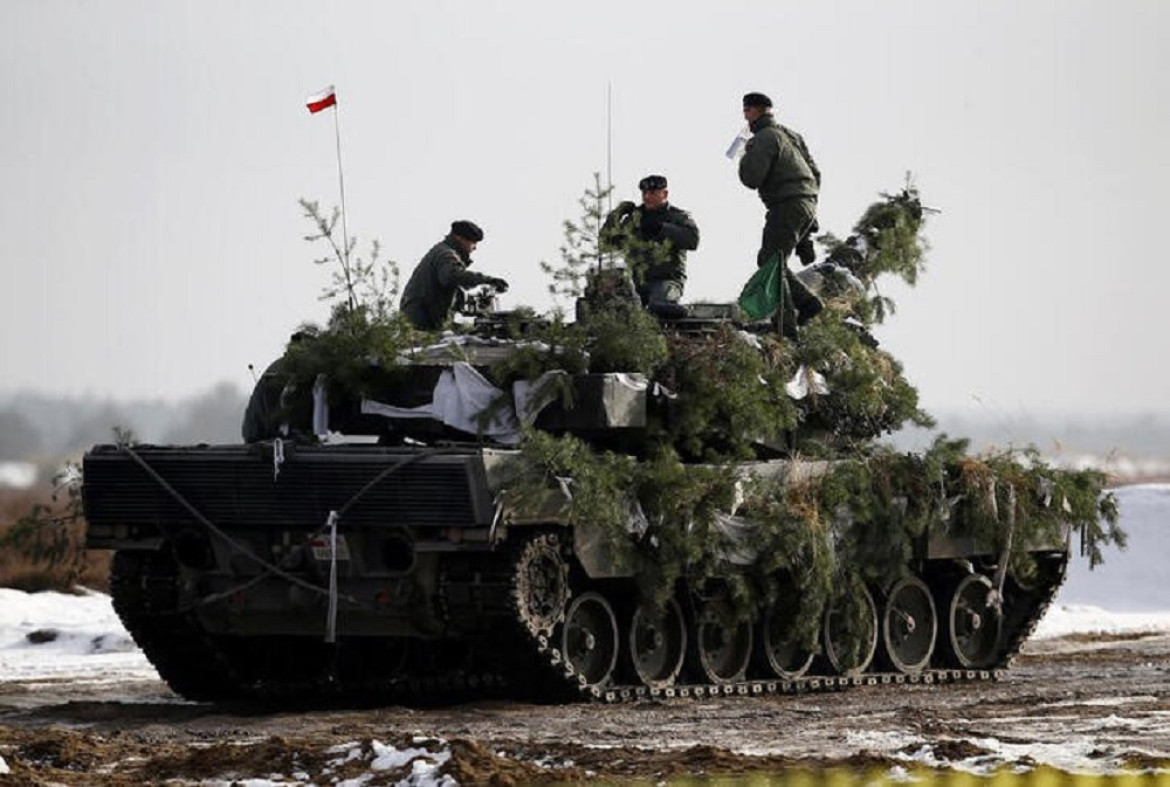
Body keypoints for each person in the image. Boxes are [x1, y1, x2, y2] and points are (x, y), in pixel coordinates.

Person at [736, 92, 823, 333]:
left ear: (752, 111)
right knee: (775, 261)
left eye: (746, 111)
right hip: (806, 204)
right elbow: (815, 175)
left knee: (770, 263)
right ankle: (807, 302)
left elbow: (751, 178)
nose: (745, 116)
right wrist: (807, 228)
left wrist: (745, 154)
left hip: (785, 205)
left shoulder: (763, 138)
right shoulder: (791, 135)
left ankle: (785, 326)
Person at [600, 174, 699, 315]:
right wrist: (615, 217)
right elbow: (606, 245)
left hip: (667, 280)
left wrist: (661, 228)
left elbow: (692, 241)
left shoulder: (677, 217)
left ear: (664, 193)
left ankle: (685, 314)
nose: (647, 197)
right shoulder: (635, 218)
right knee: (614, 308)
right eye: (644, 193)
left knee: (659, 307)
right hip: (637, 282)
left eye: (652, 193)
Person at [400, 220, 509, 330]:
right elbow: (453, 277)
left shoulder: (441, 250)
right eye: (473, 242)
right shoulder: (446, 255)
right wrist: (487, 280)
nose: (474, 248)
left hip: (422, 317)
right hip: (423, 320)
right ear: (460, 238)